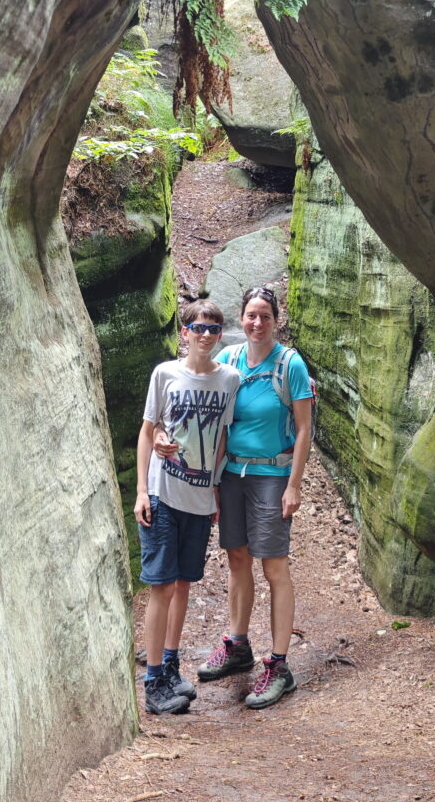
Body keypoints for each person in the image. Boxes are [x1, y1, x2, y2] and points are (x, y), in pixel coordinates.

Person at [159, 286, 313, 709]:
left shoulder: (290, 365)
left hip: (271, 475)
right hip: (231, 474)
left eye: (265, 315)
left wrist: (294, 484)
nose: (257, 323)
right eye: (250, 315)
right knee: (238, 558)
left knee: (274, 567)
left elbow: (303, 428)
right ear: (240, 320)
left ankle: (279, 664)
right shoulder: (228, 361)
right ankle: (238, 643)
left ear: (276, 319)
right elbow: (196, 401)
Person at [134, 299, 240, 715]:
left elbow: (222, 440)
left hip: (198, 498)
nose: (206, 336)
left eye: (214, 329)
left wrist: (214, 488)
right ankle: (153, 679)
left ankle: (172, 664)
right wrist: (142, 491)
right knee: (160, 586)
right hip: (163, 493)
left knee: (183, 585)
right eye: (198, 328)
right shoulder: (165, 373)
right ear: (185, 332)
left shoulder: (229, 380)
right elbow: (147, 431)